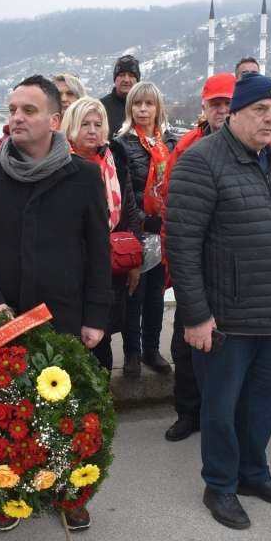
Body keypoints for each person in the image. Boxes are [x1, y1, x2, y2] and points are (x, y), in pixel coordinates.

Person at [0, 75, 111, 532]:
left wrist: (96, 316)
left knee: (66, 413)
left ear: (53, 119)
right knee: (4, 413)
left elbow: (98, 250)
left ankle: (70, 493)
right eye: (11, 110)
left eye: (27, 110)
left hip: (64, 315)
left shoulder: (82, 175)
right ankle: (5, 496)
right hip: (4, 314)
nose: (16, 119)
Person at [166, 73, 271, 530]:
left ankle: (253, 473)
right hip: (223, 318)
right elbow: (181, 246)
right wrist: (196, 315)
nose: (270, 119)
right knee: (222, 408)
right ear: (235, 113)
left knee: (263, 403)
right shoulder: (201, 161)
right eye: (260, 110)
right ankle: (220, 485)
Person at [160, 72, 235, 442]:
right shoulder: (186, 147)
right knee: (184, 347)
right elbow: (170, 212)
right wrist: (174, 269)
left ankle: (222, 417)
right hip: (195, 267)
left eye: (228, 103)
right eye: (216, 103)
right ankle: (187, 413)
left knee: (232, 352)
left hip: (236, 273)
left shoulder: (267, 148)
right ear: (205, 107)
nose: (222, 109)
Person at [62, 97, 141, 372]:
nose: (92, 130)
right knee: (70, 340)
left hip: (109, 264)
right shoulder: (57, 163)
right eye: (85, 124)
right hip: (69, 267)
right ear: (70, 126)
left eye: (98, 124)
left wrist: (134, 261)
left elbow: (129, 208)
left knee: (102, 339)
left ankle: (101, 406)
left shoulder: (115, 158)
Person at [110, 82, 177, 378]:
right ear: (129, 108)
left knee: (155, 294)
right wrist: (141, 221)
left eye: (149, 104)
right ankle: (132, 353)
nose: (142, 110)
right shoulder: (122, 143)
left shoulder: (170, 143)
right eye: (137, 104)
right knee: (134, 293)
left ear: (157, 108)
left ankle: (152, 348)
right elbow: (121, 194)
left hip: (163, 231)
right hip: (138, 229)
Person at [100, 55, 140, 139]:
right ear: (115, 79)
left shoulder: (145, 108)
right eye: (121, 75)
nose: (126, 79)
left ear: (137, 80)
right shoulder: (101, 107)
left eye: (131, 75)